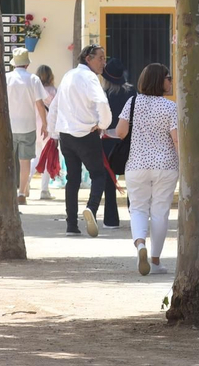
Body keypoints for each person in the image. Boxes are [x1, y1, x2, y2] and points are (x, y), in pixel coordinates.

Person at [114, 62, 178, 275]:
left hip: (136, 165)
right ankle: (156, 260)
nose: (171, 81)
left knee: (138, 209)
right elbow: (177, 140)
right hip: (166, 166)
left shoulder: (132, 102)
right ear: (160, 81)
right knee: (160, 212)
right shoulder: (171, 107)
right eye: (168, 77)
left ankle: (140, 244)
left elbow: (121, 132)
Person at [54, 44, 117, 236]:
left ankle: (71, 224)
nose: (103, 63)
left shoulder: (68, 75)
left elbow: (56, 104)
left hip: (66, 134)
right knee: (99, 175)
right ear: (88, 58)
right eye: (100, 58)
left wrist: (52, 131)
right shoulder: (89, 77)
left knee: (72, 179)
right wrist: (103, 124)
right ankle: (91, 208)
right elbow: (102, 102)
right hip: (86, 134)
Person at [6, 48, 47, 205]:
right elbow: (40, 104)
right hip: (28, 126)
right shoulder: (33, 79)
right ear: (27, 64)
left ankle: (8, 193)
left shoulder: (6, 78)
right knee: (25, 162)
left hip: (9, 126)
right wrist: (44, 123)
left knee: (8, 162)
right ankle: (22, 193)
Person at [99, 58, 135, 222]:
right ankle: (135, 215)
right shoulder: (132, 93)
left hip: (107, 140)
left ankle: (110, 219)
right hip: (129, 140)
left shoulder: (102, 95)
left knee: (109, 180)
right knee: (132, 179)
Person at [33, 64, 59, 199]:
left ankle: (23, 186)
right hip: (48, 127)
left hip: (35, 126)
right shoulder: (54, 91)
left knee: (36, 156)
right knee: (47, 157)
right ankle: (44, 189)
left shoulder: (34, 91)